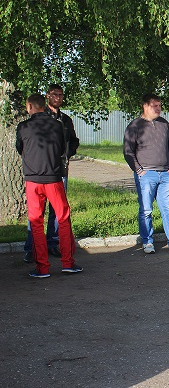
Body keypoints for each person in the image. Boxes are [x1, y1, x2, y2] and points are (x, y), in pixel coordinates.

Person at [16, 93, 82, 278]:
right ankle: (67, 263)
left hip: (33, 180)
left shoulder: (23, 127)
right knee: (63, 218)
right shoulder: (57, 125)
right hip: (53, 178)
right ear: (44, 106)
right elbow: (62, 149)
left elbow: (20, 148)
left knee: (36, 222)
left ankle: (42, 267)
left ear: (30, 106)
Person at [123, 94, 169, 254]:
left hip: (165, 174)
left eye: (160, 105)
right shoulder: (135, 126)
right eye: (155, 106)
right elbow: (128, 151)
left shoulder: (164, 124)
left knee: (168, 209)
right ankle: (147, 242)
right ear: (145, 106)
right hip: (146, 175)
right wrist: (139, 170)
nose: (159, 109)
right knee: (146, 210)